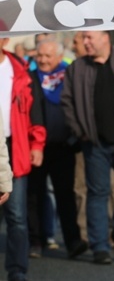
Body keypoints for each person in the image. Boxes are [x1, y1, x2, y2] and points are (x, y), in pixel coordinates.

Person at [61, 31, 114, 264]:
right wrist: (80, 132)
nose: (85, 42)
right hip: (94, 143)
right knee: (97, 194)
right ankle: (100, 246)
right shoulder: (76, 68)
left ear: (105, 37)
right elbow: (66, 101)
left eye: (89, 37)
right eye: (83, 38)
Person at [27, 40, 88, 259]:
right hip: (35, 147)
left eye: (47, 56)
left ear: (59, 56)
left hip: (64, 146)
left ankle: (73, 241)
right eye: (39, 55)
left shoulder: (69, 76)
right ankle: (36, 241)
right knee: (35, 195)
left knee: (66, 195)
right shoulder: (30, 77)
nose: (42, 60)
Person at [0, 37, 46, 281]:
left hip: (13, 146)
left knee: (17, 214)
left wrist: (37, 143)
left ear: (4, 40)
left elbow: (35, 110)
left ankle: (17, 270)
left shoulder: (21, 71)